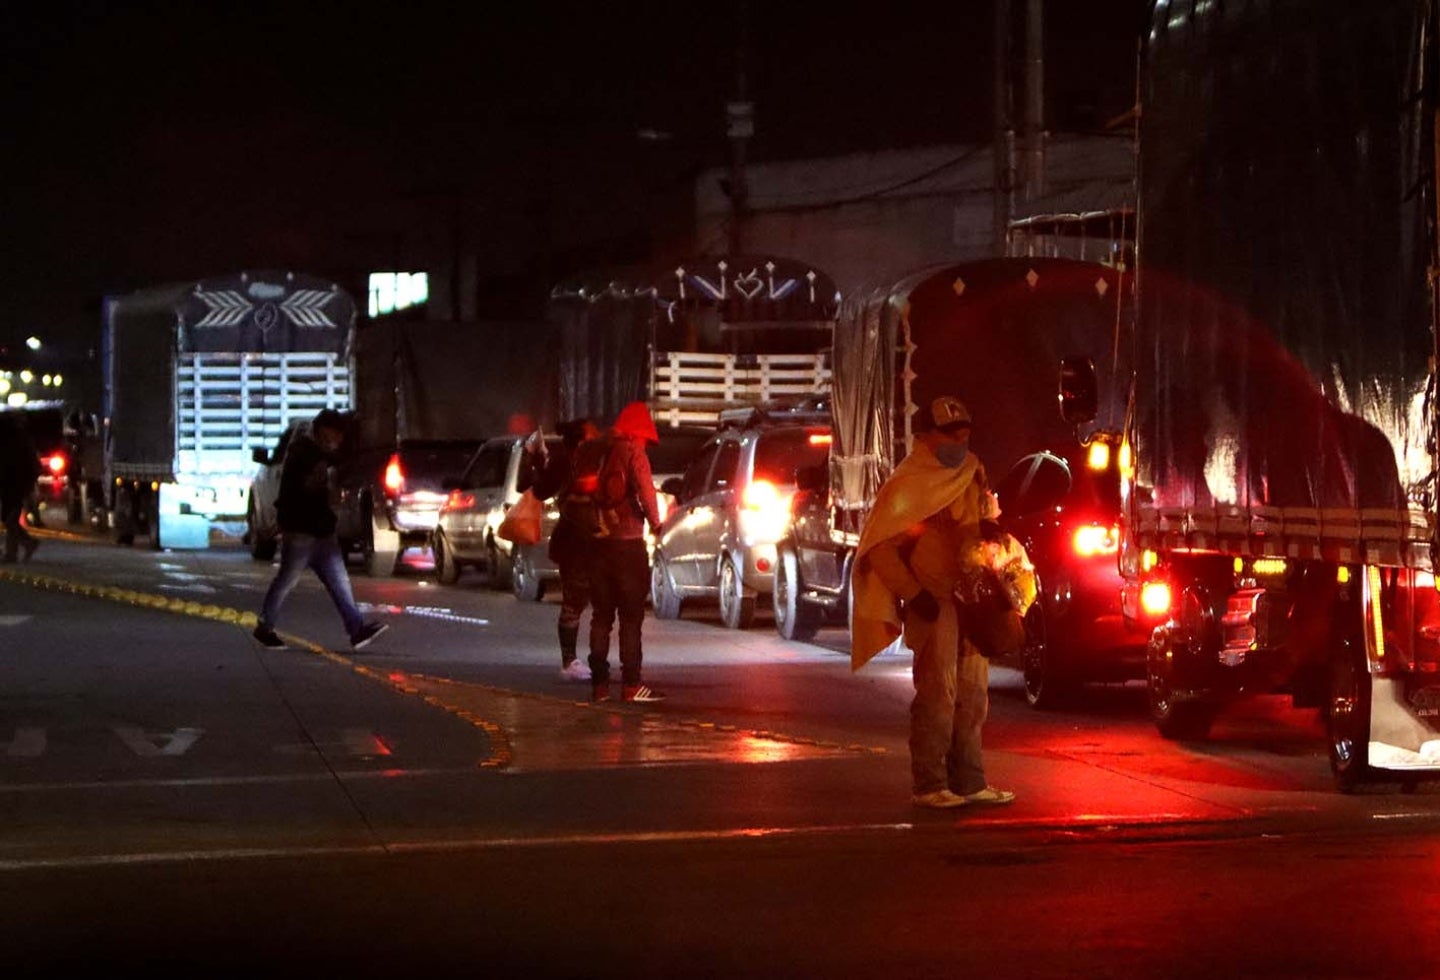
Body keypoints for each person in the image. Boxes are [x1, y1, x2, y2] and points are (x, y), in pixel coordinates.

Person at [850, 395, 1015, 809]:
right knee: (937, 694)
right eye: (949, 432)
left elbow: (984, 517)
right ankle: (929, 784)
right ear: (925, 437)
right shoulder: (908, 484)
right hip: (934, 601)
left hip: (971, 599)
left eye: (964, 429)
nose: (959, 438)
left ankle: (970, 781)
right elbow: (882, 549)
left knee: (973, 693)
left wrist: (991, 532)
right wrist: (914, 594)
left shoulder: (973, 471)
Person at [253, 408, 388, 652]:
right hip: (302, 532)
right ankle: (264, 627)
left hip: (321, 533)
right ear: (320, 431)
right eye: (331, 435)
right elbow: (300, 489)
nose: (335, 440)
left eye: (338, 436)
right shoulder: (305, 453)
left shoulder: (320, 454)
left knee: (339, 583)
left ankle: (356, 630)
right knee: (287, 580)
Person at [577, 401, 664, 703]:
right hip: (627, 543)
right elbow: (646, 489)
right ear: (638, 432)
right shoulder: (632, 451)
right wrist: (656, 523)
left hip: (598, 541)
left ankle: (599, 685)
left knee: (601, 616)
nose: (645, 444)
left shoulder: (596, 450)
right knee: (630, 616)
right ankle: (631, 685)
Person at [528, 417, 601, 681]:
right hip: (574, 540)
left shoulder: (598, 460)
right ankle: (569, 661)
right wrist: (537, 460)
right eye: (592, 437)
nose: (597, 440)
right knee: (574, 599)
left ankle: (597, 658)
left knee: (601, 599)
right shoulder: (564, 463)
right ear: (580, 441)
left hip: (600, 539)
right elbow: (541, 490)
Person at [0, 414, 42, 563]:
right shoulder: (19, 439)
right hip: (14, 484)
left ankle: (25, 545)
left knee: (10, 518)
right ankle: (13, 551)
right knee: (9, 518)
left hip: (14, 484)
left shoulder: (14, 441)